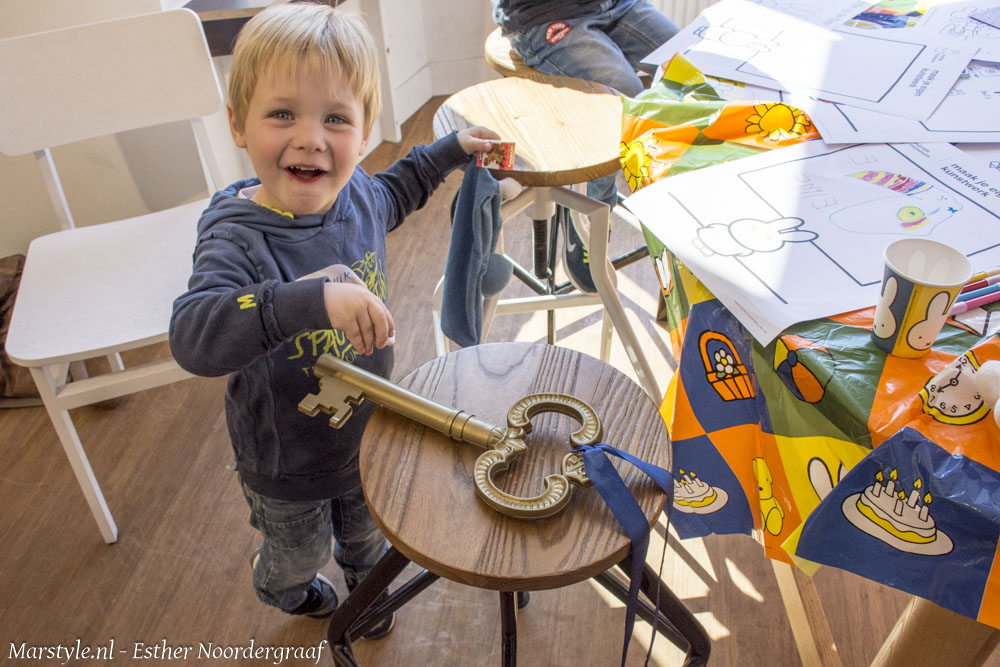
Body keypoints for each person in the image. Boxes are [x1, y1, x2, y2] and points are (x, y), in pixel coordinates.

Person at [168, 2, 498, 636]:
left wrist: (451, 149)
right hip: (285, 459)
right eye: (282, 113)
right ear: (238, 124)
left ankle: (364, 591)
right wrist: (307, 298)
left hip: (368, 434)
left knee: (368, 538)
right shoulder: (236, 240)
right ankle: (286, 591)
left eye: (336, 118)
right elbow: (193, 334)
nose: (310, 137)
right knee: (296, 556)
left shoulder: (359, 197)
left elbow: (401, 186)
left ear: (366, 128)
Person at [490, 0, 680, 292]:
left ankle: (686, 215)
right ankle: (588, 214)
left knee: (694, 68)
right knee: (623, 100)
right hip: (546, 14)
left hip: (616, 4)